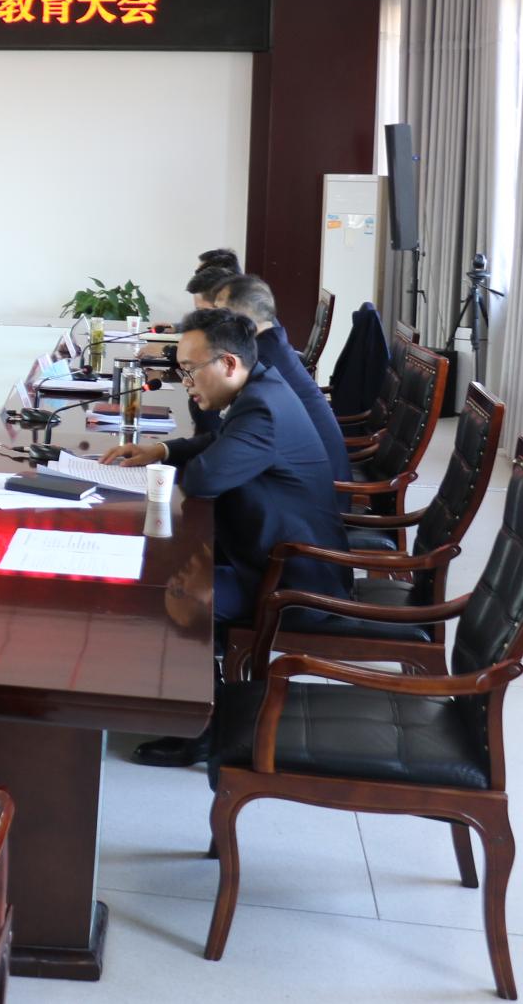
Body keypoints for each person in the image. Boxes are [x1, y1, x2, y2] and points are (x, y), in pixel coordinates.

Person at [100, 309, 351, 767]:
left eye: (190, 370)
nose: (185, 383)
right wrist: (161, 450)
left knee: (169, 593)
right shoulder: (261, 388)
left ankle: (203, 726)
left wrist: (180, 455)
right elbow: (219, 446)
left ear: (229, 363)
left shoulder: (263, 409)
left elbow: (204, 479)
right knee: (170, 567)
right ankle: (195, 697)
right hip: (269, 552)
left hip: (294, 580)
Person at [212, 273, 351, 481]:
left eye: (220, 313)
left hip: (318, 486)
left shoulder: (263, 361)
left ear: (245, 315)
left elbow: (231, 431)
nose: (214, 323)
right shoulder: (271, 345)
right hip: (308, 473)